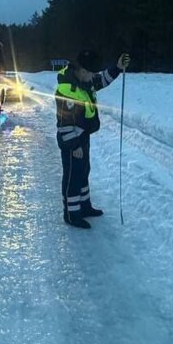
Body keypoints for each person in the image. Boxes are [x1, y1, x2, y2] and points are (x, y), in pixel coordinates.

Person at [55, 49, 130, 228]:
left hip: (83, 137)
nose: (93, 77)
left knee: (83, 172)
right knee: (73, 176)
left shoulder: (84, 82)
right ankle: (72, 214)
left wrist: (118, 68)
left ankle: (85, 206)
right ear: (82, 70)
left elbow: (102, 79)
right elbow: (64, 124)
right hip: (72, 141)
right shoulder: (67, 90)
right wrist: (74, 146)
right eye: (91, 73)